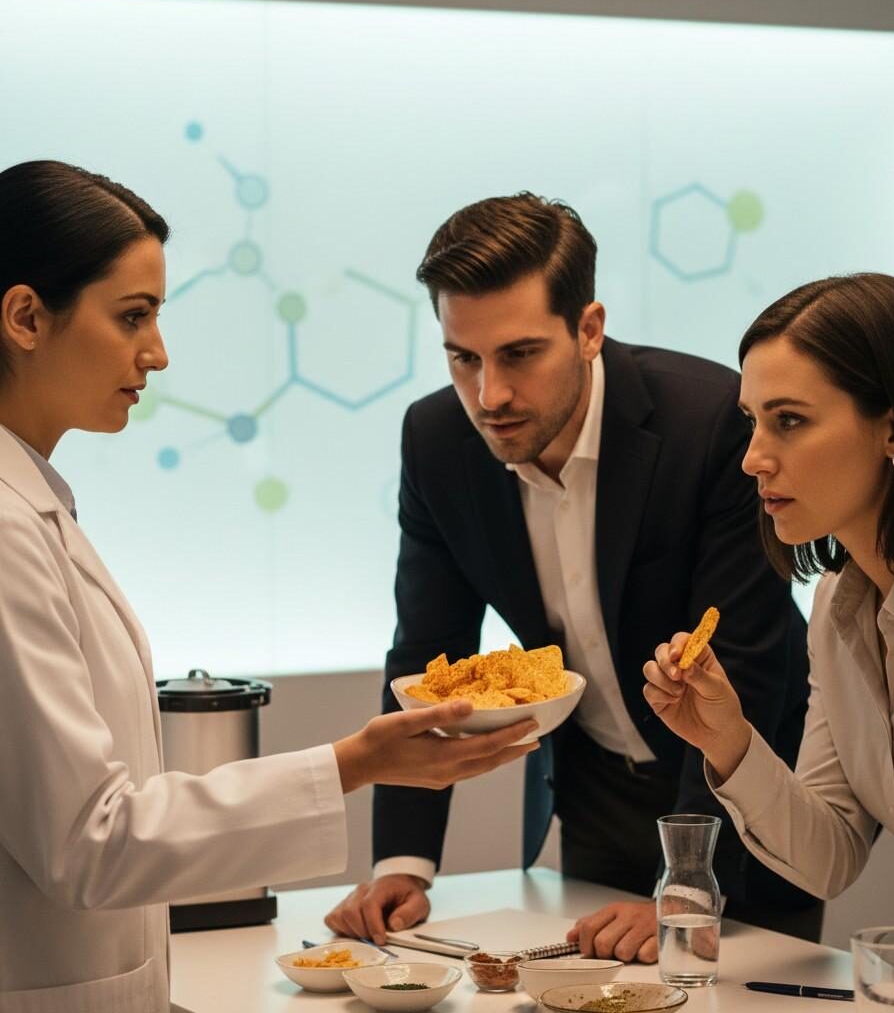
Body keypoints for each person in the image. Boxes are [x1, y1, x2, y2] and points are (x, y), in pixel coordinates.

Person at [0, 160, 539, 1012]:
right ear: (26, 317)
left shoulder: (31, 505)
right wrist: (355, 762)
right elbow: (91, 843)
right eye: (132, 316)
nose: (158, 353)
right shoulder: (4, 527)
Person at [325, 192, 822, 958]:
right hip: (594, 799)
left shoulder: (711, 421)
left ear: (588, 330)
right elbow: (428, 654)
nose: (489, 397)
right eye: (464, 358)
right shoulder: (435, 440)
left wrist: (687, 885)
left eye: (519, 354)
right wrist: (405, 863)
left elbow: (746, 658)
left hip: (746, 802)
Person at [643, 272, 894, 945]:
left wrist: (888, 986)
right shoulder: (837, 604)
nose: (753, 459)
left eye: (789, 421)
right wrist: (726, 739)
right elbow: (829, 858)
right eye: (751, 423)